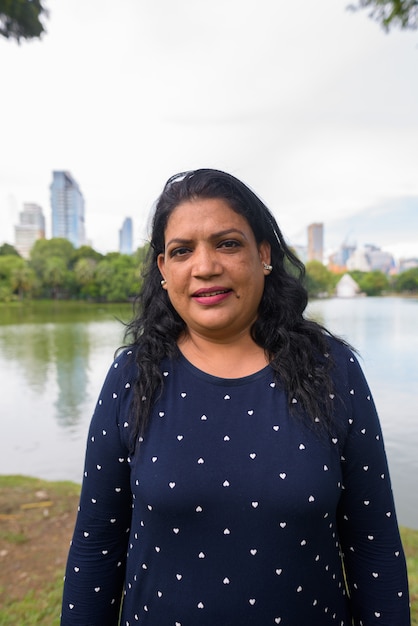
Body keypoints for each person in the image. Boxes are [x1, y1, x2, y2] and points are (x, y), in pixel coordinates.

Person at [61, 168, 410, 626]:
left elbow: (373, 544)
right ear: (164, 270)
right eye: (182, 251)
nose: (205, 266)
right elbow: (96, 545)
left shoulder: (332, 370)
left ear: (263, 254)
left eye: (227, 243)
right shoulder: (132, 377)